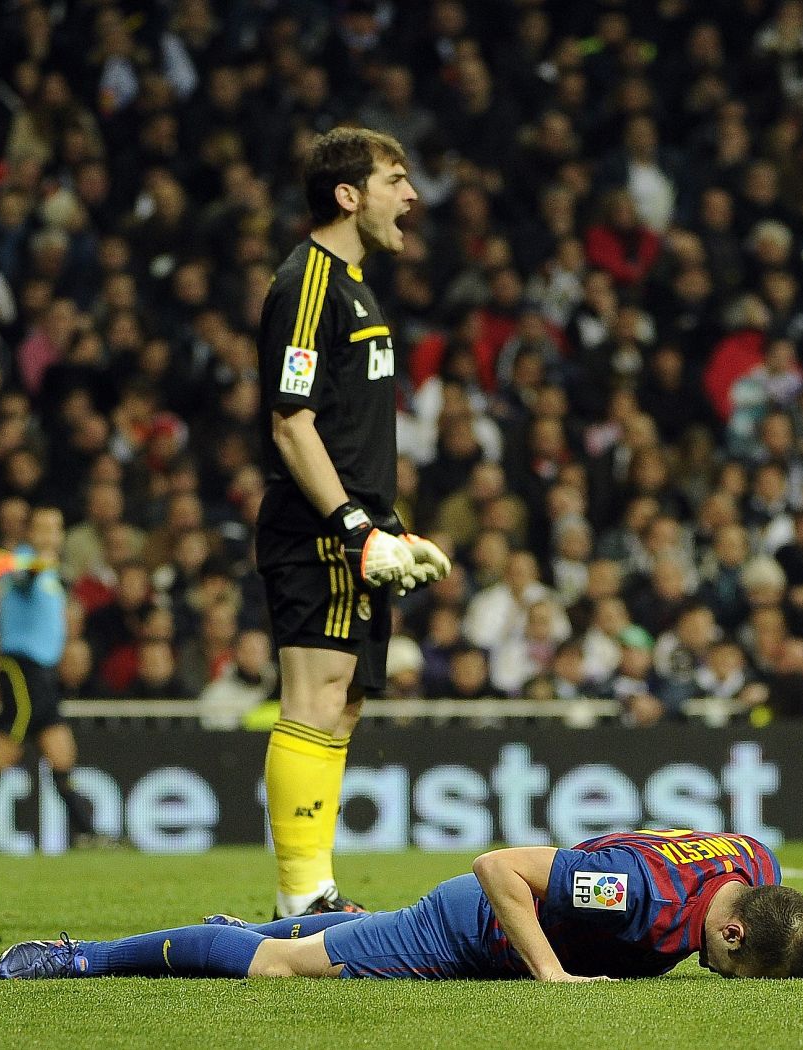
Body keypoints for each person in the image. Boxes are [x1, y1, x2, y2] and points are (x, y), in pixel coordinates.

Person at [253, 127, 452, 918]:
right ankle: (300, 895)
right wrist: (350, 525)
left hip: (361, 528)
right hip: (320, 531)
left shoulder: (359, 286)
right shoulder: (308, 281)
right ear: (348, 194)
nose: (411, 197)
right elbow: (291, 422)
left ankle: (316, 886)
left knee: (344, 700)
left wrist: (388, 529)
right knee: (314, 692)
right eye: (395, 180)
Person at [0, 829, 803, 982]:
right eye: (727, 967)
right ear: (736, 927)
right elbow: (500, 867)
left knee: (324, 934)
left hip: (483, 923)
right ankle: (77, 957)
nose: (714, 973)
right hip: (470, 929)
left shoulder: (754, 860)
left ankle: (228, 935)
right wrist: (552, 974)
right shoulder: (633, 897)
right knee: (279, 968)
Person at [0, 506, 105, 849]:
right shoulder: (24, 562)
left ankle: (86, 834)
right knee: (5, 747)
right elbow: (21, 576)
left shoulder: (48, 572)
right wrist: (33, 562)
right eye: (42, 528)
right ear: (30, 532)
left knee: (61, 753)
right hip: (21, 668)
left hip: (43, 674)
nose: (49, 535)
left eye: (54, 529)